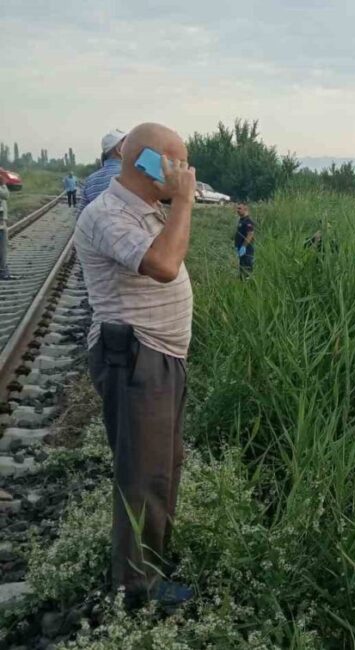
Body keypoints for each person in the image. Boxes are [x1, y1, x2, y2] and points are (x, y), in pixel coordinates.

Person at [73, 122, 196, 608]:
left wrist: (174, 202)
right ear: (149, 163)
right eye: (179, 163)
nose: (186, 172)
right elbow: (164, 266)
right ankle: (137, 590)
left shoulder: (144, 210)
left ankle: (153, 562)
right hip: (135, 357)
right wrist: (183, 201)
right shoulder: (107, 214)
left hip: (159, 356)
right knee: (142, 474)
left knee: (164, 465)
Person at [77, 128, 127, 217]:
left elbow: (80, 216)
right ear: (119, 150)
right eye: (127, 143)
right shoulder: (130, 175)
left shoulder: (90, 180)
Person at [233, 203, 255, 279]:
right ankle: (242, 280)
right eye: (237, 208)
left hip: (247, 248)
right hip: (240, 247)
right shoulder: (242, 220)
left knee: (247, 265)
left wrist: (243, 247)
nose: (237, 210)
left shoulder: (248, 221)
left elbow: (250, 234)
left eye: (239, 208)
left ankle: (248, 281)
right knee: (242, 265)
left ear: (245, 209)